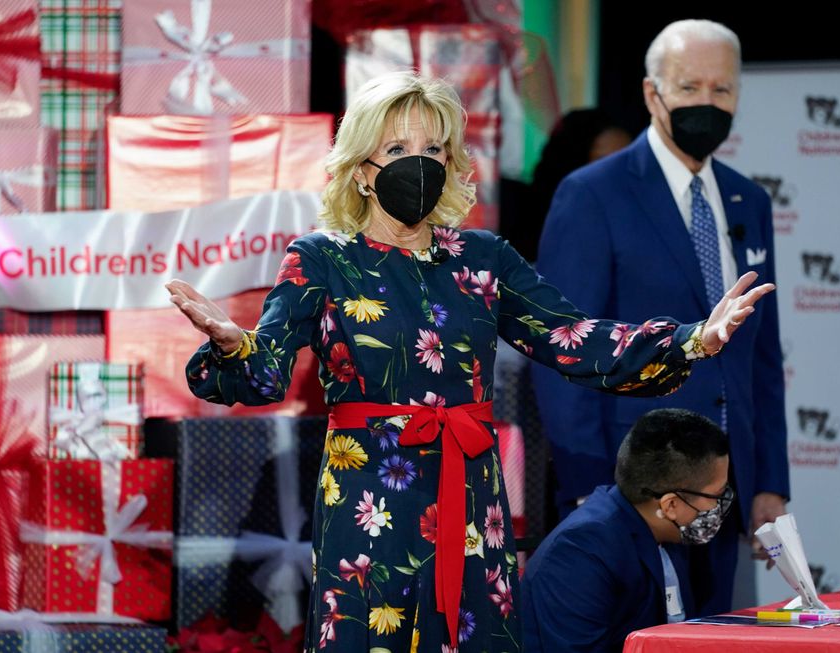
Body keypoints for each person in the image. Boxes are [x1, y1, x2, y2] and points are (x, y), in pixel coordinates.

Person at [165, 71, 773, 652]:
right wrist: (230, 345)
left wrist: (692, 338)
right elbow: (264, 368)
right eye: (398, 145)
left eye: (435, 147)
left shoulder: (483, 258)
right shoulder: (322, 259)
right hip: (370, 500)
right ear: (361, 170)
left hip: (472, 499)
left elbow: (572, 337)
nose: (420, 161)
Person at [532, 19, 789, 616]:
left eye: (722, 90)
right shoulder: (591, 193)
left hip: (724, 494)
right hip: (634, 494)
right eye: (690, 86)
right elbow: (564, 351)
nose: (707, 103)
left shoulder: (749, 199)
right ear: (653, 93)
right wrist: (587, 489)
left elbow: (764, 354)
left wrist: (768, 480)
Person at [522, 408, 731, 653]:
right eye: (716, 496)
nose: (719, 506)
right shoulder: (580, 551)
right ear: (671, 504)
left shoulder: (667, 532)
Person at [502, 108, 633, 262]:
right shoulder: (510, 213)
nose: (617, 174)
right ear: (572, 161)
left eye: (625, 162)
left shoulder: (627, 225)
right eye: (603, 162)